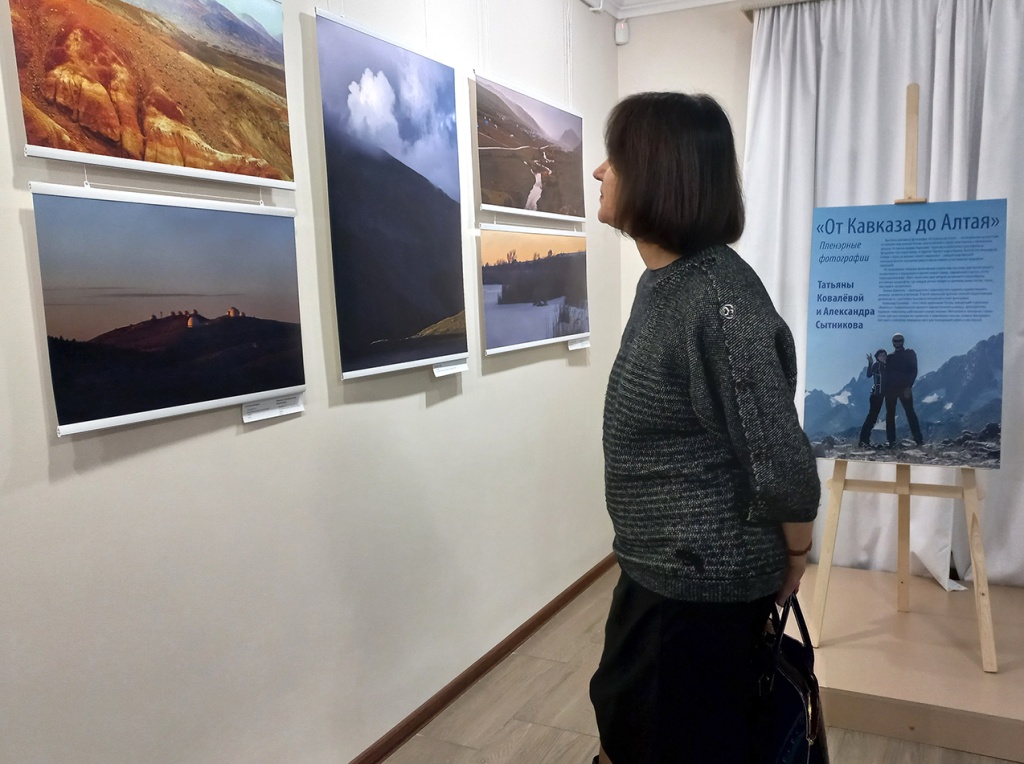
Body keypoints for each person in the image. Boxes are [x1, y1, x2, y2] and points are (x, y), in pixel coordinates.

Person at [588, 92, 821, 764]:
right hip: (664, 577)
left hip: (699, 592)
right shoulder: (668, 283)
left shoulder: (717, 300)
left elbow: (779, 456)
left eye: (614, 158)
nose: (599, 172)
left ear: (659, 174)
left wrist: (796, 555)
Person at [884, 332, 923, 446]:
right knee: (890, 414)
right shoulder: (889, 357)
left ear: (903, 341)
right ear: (893, 343)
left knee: (910, 413)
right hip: (891, 389)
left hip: (904, 388)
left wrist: (909, 385)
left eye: (899, 340)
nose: (898, 342)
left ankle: (918, 439)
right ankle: (891, 441)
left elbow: (914, 370)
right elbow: (885, 373)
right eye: (895, 341)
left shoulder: (910, 353)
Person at [858, 349, 888, 447]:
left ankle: (865, 440)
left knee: (873, 418)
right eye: (881, 355)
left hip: (880, 396)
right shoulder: (877, 365)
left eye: (885, 355)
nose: (884, 356)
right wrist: (870, 363)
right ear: (877, 357)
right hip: (875, 395)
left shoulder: (886, 366)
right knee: (871, 418)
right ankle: (863, 441)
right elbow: (868, 375)